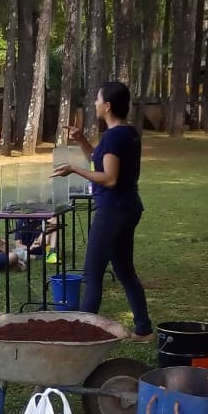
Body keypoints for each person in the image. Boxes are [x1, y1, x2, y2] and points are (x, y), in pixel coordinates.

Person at [52, 80, 153, 341]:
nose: (95, 103)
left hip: (113, 211)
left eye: (97, 99)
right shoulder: (127, 133)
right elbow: (99, 159)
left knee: (92, 274)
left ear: (107, 106)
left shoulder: (113, 136)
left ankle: (84, 337)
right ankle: (143, 329)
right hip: (128, 207)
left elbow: (109, 178)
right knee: (125, 271)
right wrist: (81, 140)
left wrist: (74, 169)